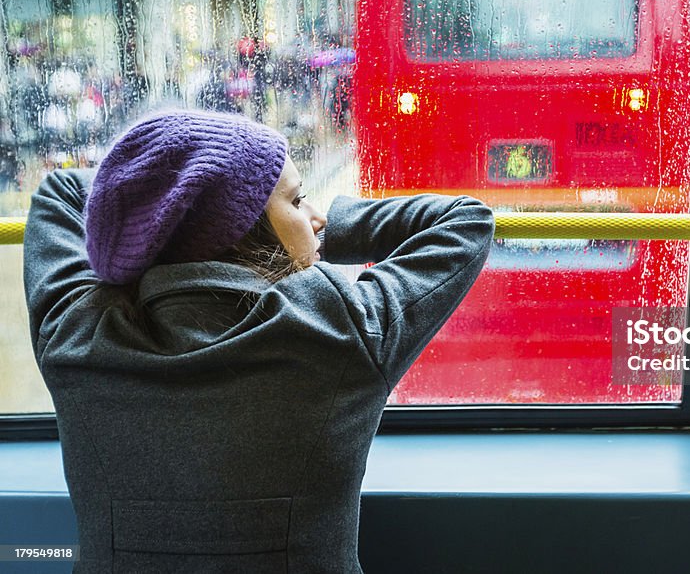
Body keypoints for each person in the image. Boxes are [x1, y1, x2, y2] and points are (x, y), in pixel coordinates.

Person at [23, 110, 494, 573]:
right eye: (296, 201)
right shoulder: (343, 328)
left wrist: (161, 207)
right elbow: (465, 221)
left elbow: (59, 192)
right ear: (243, 231)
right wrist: (319, 239)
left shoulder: (75, 335)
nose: (315, 217)